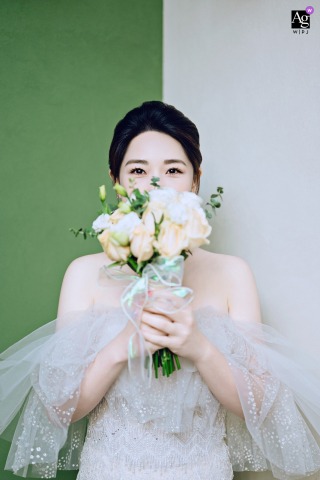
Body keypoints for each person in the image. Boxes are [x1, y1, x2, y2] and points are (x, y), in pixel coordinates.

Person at [1, 101, 320, 480]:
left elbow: (261, 404)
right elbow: (60, 408)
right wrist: (123, 344)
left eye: (173, 170)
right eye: (138, 170)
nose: (155, 184)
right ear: (116, 182)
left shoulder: (233, 274)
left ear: (195, 180)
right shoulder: (84, 274)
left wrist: (198, 346)